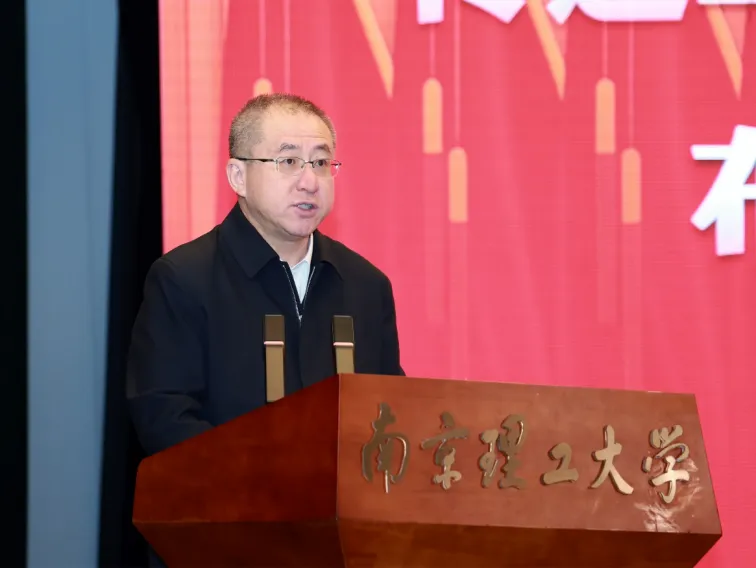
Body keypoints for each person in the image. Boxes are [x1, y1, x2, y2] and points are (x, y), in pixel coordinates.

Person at [126, 93, 404, 458]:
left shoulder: (365, 285)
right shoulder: (184, 279)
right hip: (230, 493)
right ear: (238, 176)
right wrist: (265, 478)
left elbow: (390, 414)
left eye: (321, 162)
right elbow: (165, 418)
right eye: (288, 161)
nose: (310, 181)